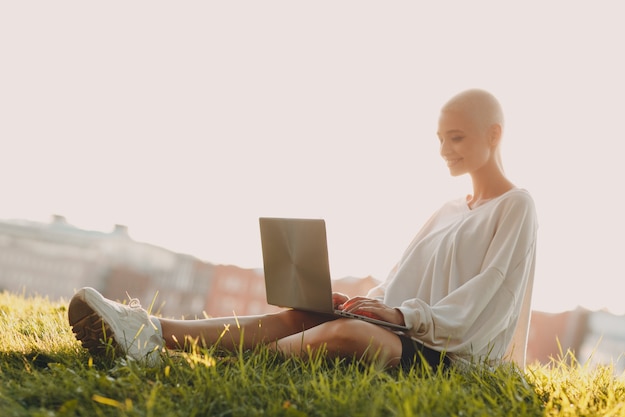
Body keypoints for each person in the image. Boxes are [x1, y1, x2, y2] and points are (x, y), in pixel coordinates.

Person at [68, 89, 538, 371]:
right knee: (308, 317)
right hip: (409, 329)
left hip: (450, 354)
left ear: (494, 135)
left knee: (347, 337)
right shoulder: (450, 207)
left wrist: (399, 319)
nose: (444, 150)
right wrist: (359, 304)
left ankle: (201, 355)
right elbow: (401, 280)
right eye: (439, 138)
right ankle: (148, 330)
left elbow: (488, 299)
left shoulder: (516, 205)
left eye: (456, 137)